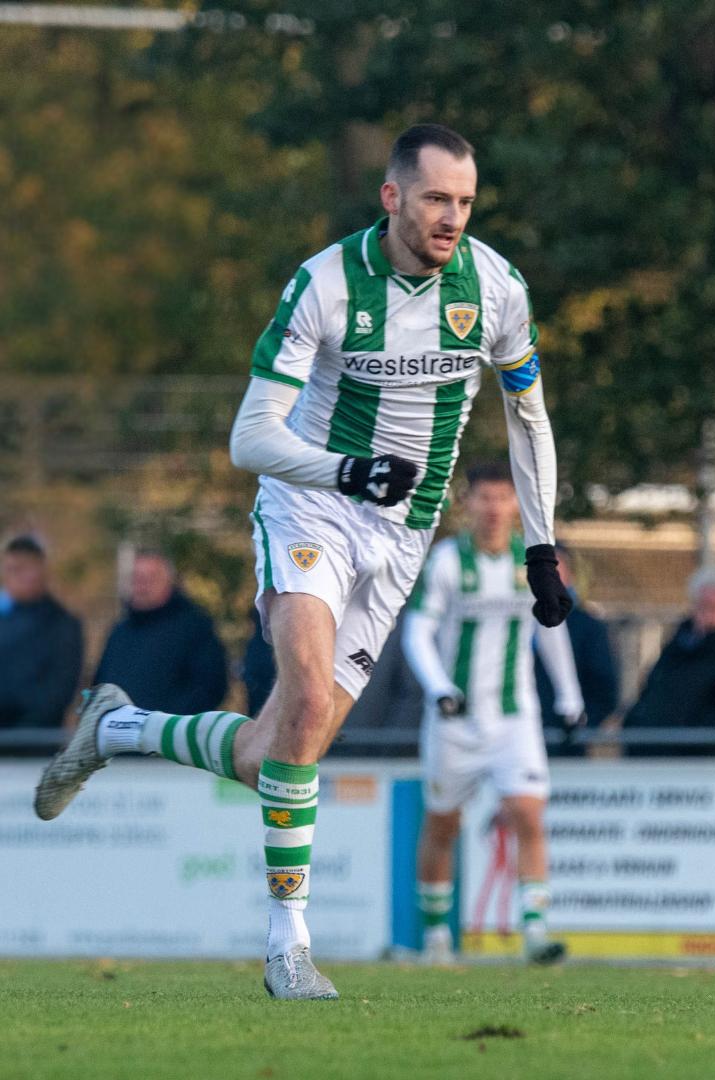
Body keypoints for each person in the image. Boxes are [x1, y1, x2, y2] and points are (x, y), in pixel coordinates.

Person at [32, 123, 572, 1000]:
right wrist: (343, 468)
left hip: (401, 538)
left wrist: (541, 545)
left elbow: (530, 421)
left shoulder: (498, 289)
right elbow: (252, 436)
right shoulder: (327, 283)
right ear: (392, 197)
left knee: (276, 752)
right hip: (311, 501)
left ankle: (116, 728)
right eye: (437, 198)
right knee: (311, 698)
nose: (453, 219)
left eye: (466, 202)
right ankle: (290, 945)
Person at [404, 461, 584, 966]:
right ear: (468, 504)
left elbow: (552, 626)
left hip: (513, 717)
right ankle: (436, 939)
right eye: (484, 498)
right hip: (454, 720)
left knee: (528, 813)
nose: (494, 508)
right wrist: (439, 687)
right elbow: (417, 630)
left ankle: (535, 931)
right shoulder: (445, 561)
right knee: (442, 827)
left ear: (515, 504)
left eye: (504, 498)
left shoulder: (531, 561)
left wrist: (569, 697)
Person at [623, 564, 715, 757]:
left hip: (692, 762)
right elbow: (652, 688)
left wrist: (691, 737)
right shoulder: (680, 643)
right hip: (646, 753)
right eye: (704, 606)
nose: (709, 616)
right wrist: (634, 723)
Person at [94, 552, 230, 716]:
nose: (142, 586)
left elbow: (210, 685)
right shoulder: (119, 631)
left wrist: (167, 723)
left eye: (150, 579)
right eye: (137, 579)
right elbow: (101, 682)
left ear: (169, 582)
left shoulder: (194, 628)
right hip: (117, 735)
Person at [536, 545, 620, 757]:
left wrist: (577, 726)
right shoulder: (510, 624)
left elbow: (604, 688)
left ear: (569, 576)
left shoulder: (587, 627)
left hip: (562, 748)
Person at [0, 536, 84, 744]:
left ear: (40, 570)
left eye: (20, 569)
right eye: (9, 570)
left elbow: (56, 695)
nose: (13, 577)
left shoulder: (62, 626)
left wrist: (17, 739)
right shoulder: (5, 620)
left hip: (34, 747)